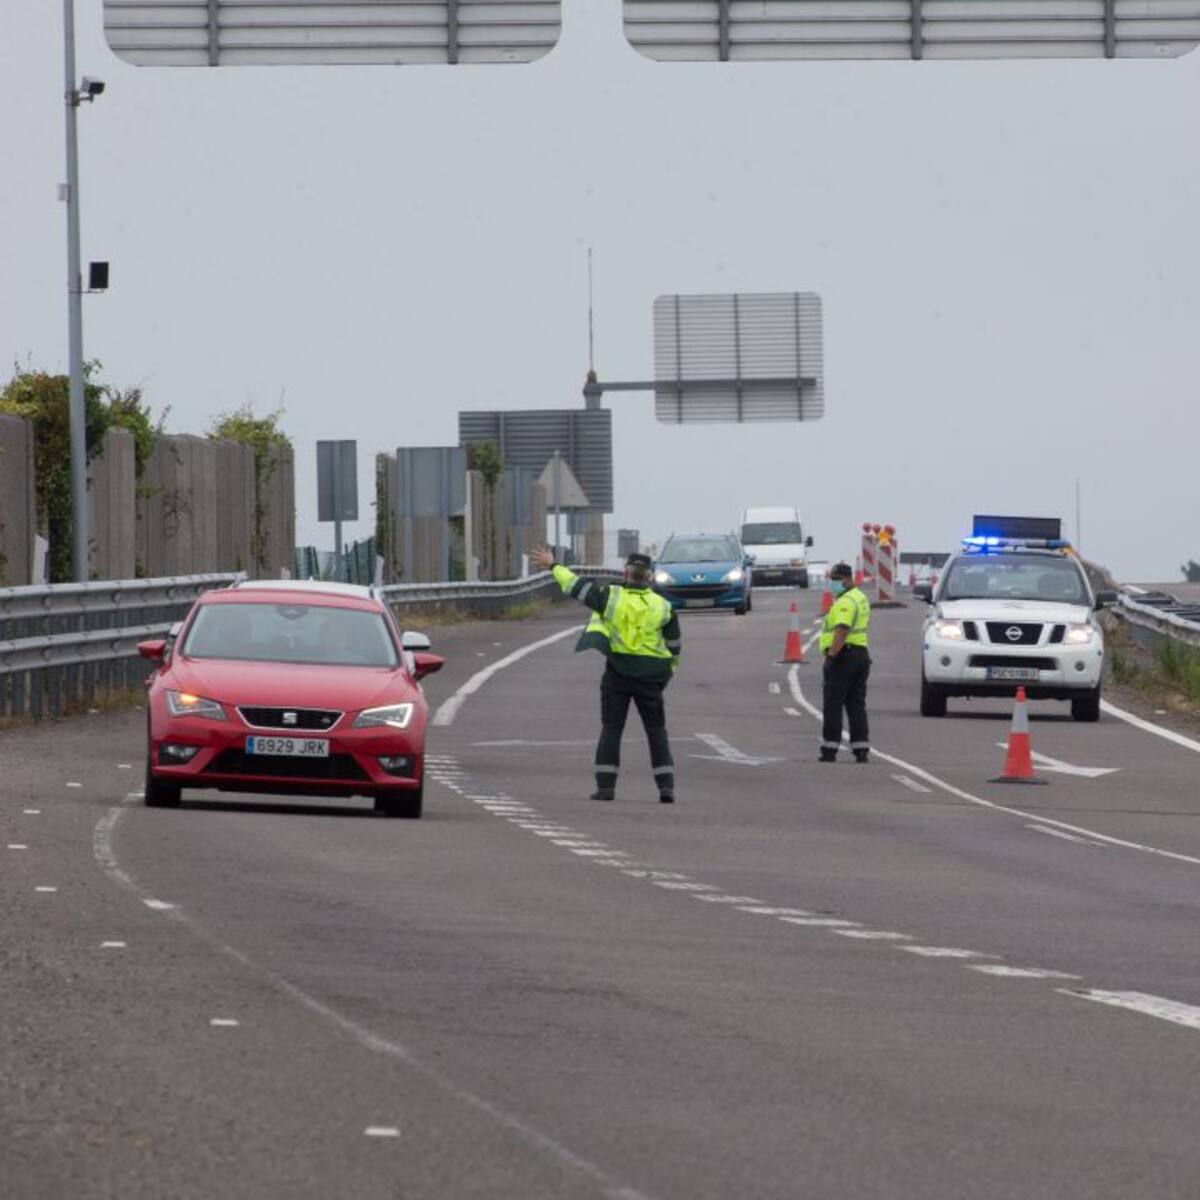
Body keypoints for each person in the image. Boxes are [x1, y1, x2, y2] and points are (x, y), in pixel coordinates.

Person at [530, 545, 681, 803]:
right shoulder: (663, 606)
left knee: (612, 728)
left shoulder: (610, 597)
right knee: (657, 731)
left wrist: (554, 566)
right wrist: (665, 675)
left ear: (625, 573)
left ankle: (606, 788)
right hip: (651, 678)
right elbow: (674, 646)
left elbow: (575, 587)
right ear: (650, 577)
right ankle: (665, 788)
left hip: (619, 673)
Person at [819, 562, 871, 763]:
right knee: (856, 704)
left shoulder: (845, 602)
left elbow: (842, 630)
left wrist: (831, 656)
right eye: (832, 579)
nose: (833, 583)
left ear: (848, 579)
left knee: (833, 703)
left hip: (844, 657)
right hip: (861, 656)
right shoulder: (860, 597)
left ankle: (829, 749)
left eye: (836, 579)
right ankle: (861, 748)